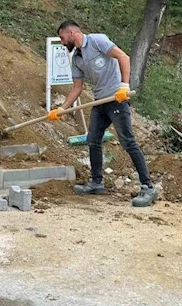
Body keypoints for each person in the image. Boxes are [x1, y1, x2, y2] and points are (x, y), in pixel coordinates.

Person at [48, 21, 158, 208]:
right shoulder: (77, 59)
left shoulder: (97, 41)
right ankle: (96, 182)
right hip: (100, 103)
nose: (61, 41)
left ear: (72, 32)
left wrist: (124, 86)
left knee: (127, 141)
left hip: (117, 98)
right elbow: (77, 88)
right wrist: (62, 109)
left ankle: (148, 187)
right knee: (93, 139)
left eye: (62, 37)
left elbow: (123, 57)